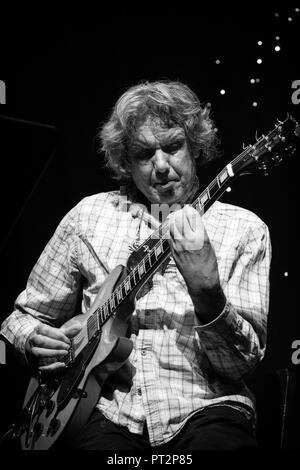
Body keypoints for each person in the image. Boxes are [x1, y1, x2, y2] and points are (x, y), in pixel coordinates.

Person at [0, 80, 271, 451]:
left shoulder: (245, 229)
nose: (161, 166)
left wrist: (207, 291)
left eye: (173, 147)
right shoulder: (88, 217)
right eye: (145, 154)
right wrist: (33, 341)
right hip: (104, 413)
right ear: (126, 162)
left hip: (207, 410)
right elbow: (21, 318)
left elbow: (238, 366)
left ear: (195, 146)